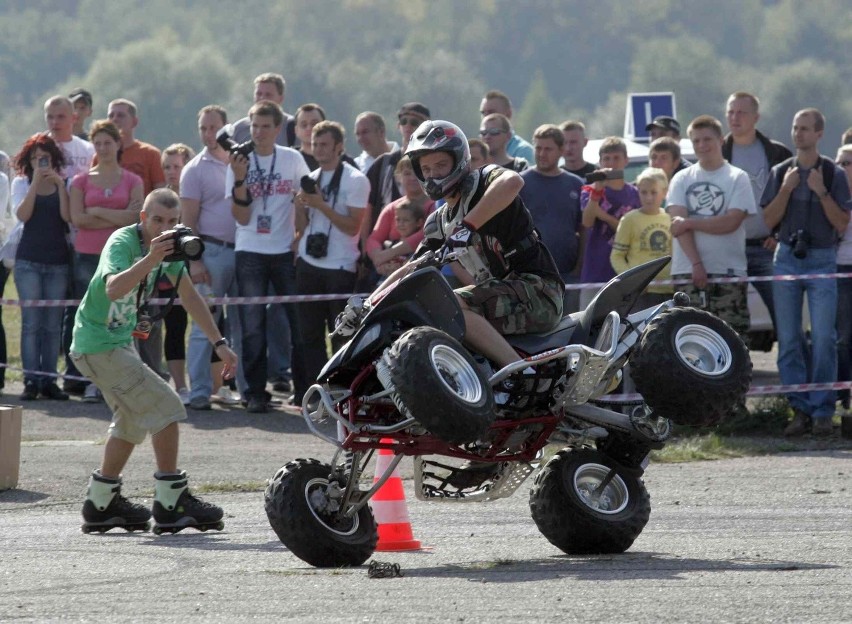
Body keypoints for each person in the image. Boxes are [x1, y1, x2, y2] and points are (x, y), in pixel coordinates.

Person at [73, 188, 238, 533]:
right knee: (166, 405)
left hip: (115, 343)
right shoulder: (122, 242)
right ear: (143, 219)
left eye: (172, 221)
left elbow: (190, 296)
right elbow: (113, 289)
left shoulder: (174, 251)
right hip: (98, 343)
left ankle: (101, 503)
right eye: (158, 220)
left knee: (132, 421)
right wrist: (151, 258)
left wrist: (219, 343)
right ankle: (170, 503)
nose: (165, 227)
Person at [371, 120, 563, 373]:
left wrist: (467, 228)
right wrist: (369, 305)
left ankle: (519, 372)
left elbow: (513, 182)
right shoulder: (438, 222)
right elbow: (411, 268)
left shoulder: (483, 181)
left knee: (449, 304)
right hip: (499, 298)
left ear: (459, 161)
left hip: (538, 291)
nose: (433, 174)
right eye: (426, 168)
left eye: (440, 165)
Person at [762, 108, 851, 437]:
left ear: (819, 134)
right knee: (788, 341)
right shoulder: (780, 171)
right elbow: (768, 222)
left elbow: (842, 222)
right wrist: (785, 189)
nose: (798, 134)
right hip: (786, 257)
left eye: (805, 129)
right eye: (795, 128)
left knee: (825, 338)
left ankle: (823, 410)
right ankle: (799, 410)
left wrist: (820, 191)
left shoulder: (832, 173)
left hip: (822, 258)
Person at [227, 100, 309, 414]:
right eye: (254, 126)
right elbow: (242, 217)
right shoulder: (238, 161)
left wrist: (300, 236)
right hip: (250, 250)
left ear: (277, 129)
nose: (258, 133)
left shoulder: (292, 158)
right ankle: (255, 393)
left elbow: (305, 198)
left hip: (284, 250)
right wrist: (238, 178)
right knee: (252, 326)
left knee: (297, 323)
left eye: (265, 126)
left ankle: (304, 391)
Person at [294, 120, 369, 403]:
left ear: (339, 147)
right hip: (309, 264)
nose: (319, 150)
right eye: (315, 144)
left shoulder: (355, 179)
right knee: (308, 335)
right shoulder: (310, 178)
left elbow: (353, 227)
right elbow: (300, 228)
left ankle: (342, 393)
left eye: (325, 144)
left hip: (340, 266)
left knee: (341, 335)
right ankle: (317, 394)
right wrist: (300, 205)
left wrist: (321, 205)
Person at [70, 120, 144, 402]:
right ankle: (93, 381)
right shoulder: (81, 181)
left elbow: (136, 217)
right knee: (93, 316)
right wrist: (117, 213)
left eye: (108, 143)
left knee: (122, 317)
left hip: (123, 256)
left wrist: (98, 210)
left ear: (118, 144)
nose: (103, 148)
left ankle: (127, 376)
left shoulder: (132, 180)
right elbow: (78, 219)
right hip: (88, 254)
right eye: (98, 143)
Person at [667, 115, 756, 342]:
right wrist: (697, 264)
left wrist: (690, 222)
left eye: (707, 139)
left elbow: (731, 222)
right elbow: (678, 228)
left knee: (734, 340)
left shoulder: (738, 177)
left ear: (721, 140)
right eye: (696, 141)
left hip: (728, 271)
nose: (701, 146)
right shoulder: (681, 179)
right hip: (687, 271)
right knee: (689, 340)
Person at [181, 105, 244, 410]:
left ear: (225, 129)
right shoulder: (194, 169)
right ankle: (200, 392)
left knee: (244, 323)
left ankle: (245, 389)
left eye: (213, 128)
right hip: (211, 252)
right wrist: (194, 261)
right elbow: (188, 220)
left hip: (244, 250)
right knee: (204, 326)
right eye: (203, 128)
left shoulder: (241, 162)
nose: (208, 134)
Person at [722, 91, 793, 334]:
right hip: (729, 249)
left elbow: (794, 200)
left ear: (756, 117)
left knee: (786, 318)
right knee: (729, 325)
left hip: (767, 247)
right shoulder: (717, 153)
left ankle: (797, 372)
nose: (735, 117)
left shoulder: (777, 153)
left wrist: (782, 235)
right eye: (731, 112)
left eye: (741, 112)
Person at [10, 134, 71, 400]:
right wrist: (35, 183)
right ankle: (31, 380)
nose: (40, 162)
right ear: (28, 160)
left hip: (58, 260)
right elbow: (22, 215)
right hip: (28, 261)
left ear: (53, 158)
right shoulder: (22, 183)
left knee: (53, 324)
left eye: (44, 158)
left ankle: (49, 380)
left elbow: (68, 218)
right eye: (35, 158)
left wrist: (60, 186)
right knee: (31, 323)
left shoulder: (63, 183)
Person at [519, 124, 584, 313]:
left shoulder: (576, 184)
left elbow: (584, 228)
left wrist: (579, 266)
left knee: (569, 327)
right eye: (538, 148)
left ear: (562, 150)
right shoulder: (520, 183)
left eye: (548, 149)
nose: (541, 153)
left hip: (568, 272)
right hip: (532, 273)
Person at [578, 137, 640, 309]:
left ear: (626, 160)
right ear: (599, 162)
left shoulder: (635, 194)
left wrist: (604, 216)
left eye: (616, 158)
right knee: (588, 326)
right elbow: (588, 221)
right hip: (595, 271)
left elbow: (632, 233)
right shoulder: (590, 190)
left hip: (626, 272)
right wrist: (597, 191)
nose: (611, 163)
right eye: (607, 158)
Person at [158, 144, 195, 404]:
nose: (172, 172)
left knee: (210, 325)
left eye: (177, 166)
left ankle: (218, 384)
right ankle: (179, 385)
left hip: (197, 266)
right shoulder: (158, 199)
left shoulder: (197, 195)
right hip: (167, 268)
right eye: (167, 167)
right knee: (174, 327)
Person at [610, 167, 673, 308]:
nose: (648, 197)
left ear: (664, 193)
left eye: (653, 192)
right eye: (644, 192)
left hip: (669, 289)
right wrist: (633, 281)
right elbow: (617, 256)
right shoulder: (629, 219)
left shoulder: (670, 218)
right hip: (641, 292)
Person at [365, 156, 433, 278]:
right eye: (407, 173)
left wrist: (390, 253)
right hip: (389, 272)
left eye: (418, 173)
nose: (413, 178)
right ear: (398, 177)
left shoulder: (435, 205)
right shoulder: (392, 208)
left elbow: (425, 235)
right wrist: (378, 258)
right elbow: (374, 238)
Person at [105, 99, 166, 196]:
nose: (115, 119)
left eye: (120, 115)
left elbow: (161, 193)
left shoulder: (151, 154)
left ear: (134, 122)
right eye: (111, 116)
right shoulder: (101, 155)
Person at [230, 72, 295, 147]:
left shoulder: (292, 127)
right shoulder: (239, 129)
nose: (262, 98)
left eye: (268, 95)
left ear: (281, 98)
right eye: (259, 94)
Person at [834, 145, 852, 412]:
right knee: (842, 338)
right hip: (836, 270)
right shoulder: (831, 195)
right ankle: (843, 398)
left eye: (847, 162)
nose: (842, 167)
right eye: (839, 162)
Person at [479, 90, 534, 162]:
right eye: (483, 113)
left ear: (508, 114)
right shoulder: (476, 152)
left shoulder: (523, 152)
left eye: (491, 112)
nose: (486, 117)